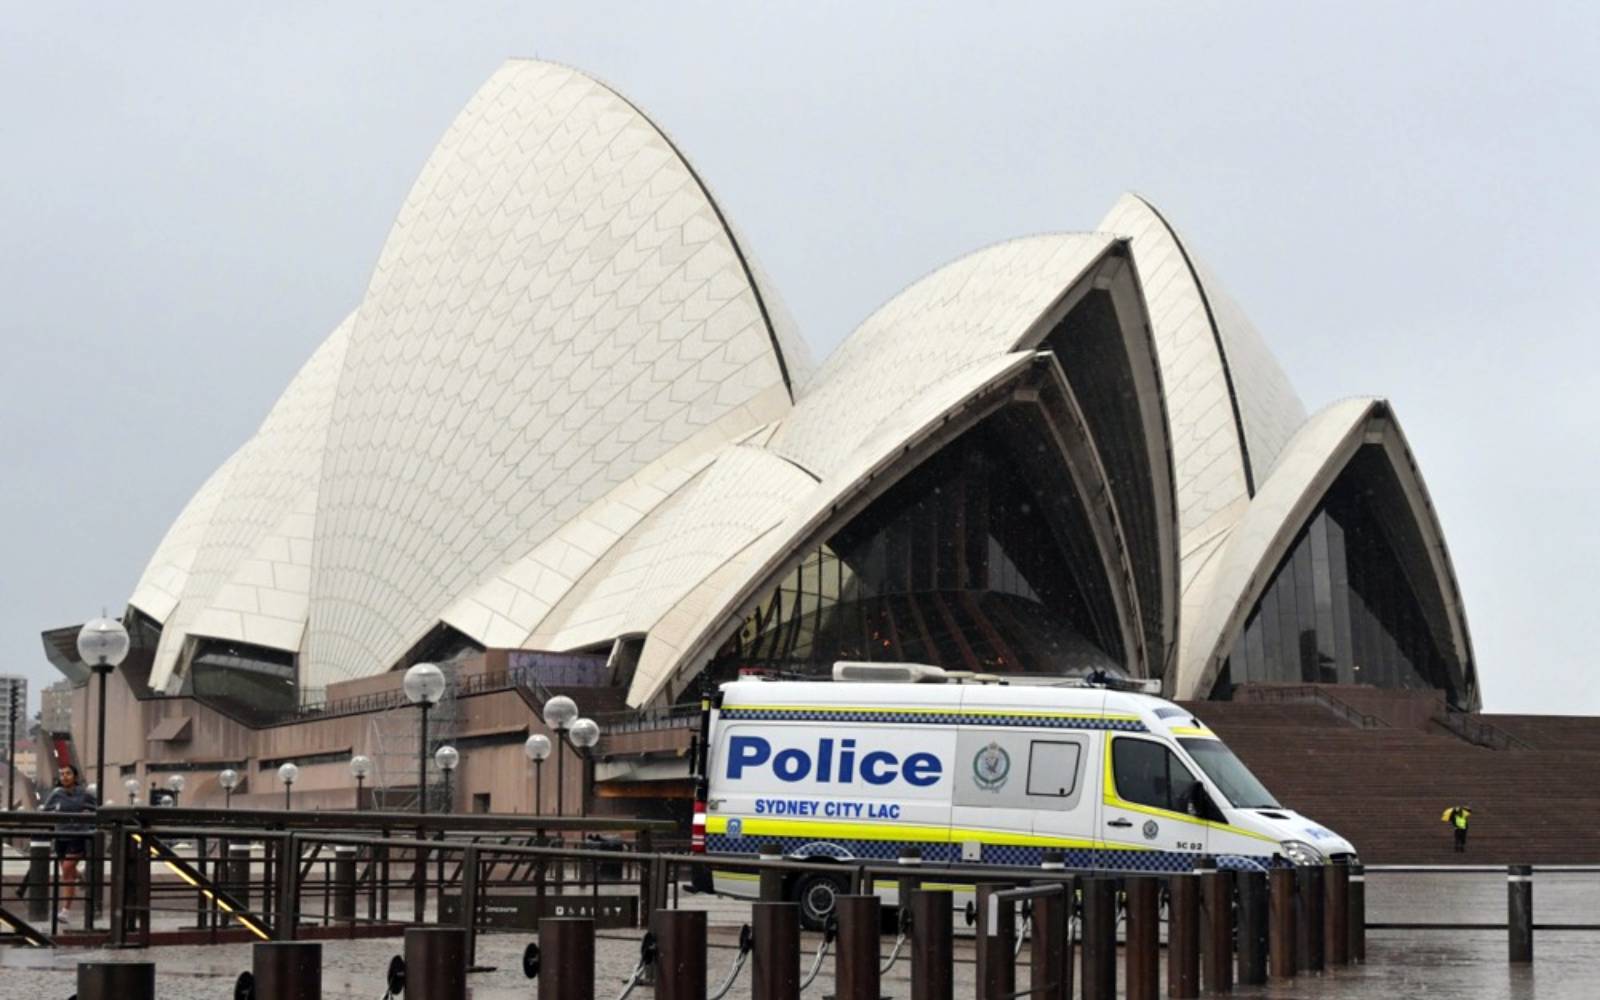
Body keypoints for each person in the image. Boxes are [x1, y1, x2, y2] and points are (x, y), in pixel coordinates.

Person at [41, 764, 98, 924]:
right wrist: (54, 814)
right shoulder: (56, 794)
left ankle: (65, 911)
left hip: (78, 835)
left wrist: (88, 815)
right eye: (62, 774)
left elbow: (98, 810)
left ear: (75, 776)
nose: (64, 777)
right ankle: (81, 876)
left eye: (68, 773)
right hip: (61, 836)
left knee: (67, 870)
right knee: (69, 873)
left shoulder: (84, 793)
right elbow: (45, 812)